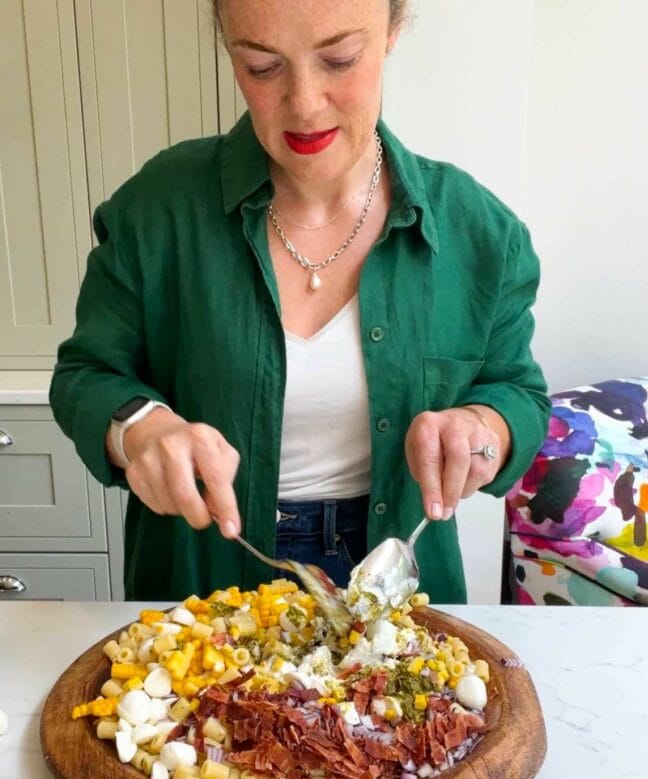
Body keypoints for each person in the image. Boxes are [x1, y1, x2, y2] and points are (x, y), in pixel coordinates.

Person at [50, 0, 550, 605]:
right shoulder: (158, 211)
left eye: (339, 59)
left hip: (396, 590)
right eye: (261, 67)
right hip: (201, 583)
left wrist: (481, 427)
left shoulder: (480, 232)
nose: (305, 103)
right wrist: (138, 428)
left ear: (392, 32)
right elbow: (86, 376)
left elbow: (518, 393)